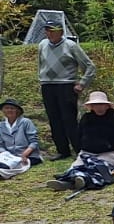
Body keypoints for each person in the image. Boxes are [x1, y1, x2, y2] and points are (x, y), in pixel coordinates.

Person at [36, 17, 95, 159]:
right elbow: (40, 64)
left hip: (66, 85)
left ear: (61, 32)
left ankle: (79, 150)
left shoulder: (71, 45)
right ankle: (62, 150)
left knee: (69, 119)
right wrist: (41, 78)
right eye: (47, 30)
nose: (49, 33)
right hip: (47, 86)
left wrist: (82, 83)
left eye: (52, 31)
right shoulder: (42, 44)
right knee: (53, 119)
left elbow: (89, 66)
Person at [74, 91, 114, 171]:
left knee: (98, 169)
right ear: (92, 106)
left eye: (101, 104)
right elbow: (78, 136)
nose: (99, 107)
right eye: (96, 105)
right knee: (75, 169)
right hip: (87, 153)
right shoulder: (86, 118)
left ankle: (85, 180)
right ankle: (67, 181)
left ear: (107, 106)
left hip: (110, 154)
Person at [0, 98, 42, 177]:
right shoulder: (1, 126)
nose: (9, 110)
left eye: (12, 108)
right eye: (6, 108)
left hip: (28, 156)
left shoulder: (26, 122)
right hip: (9, 156)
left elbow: (34, 142)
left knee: (8, 166)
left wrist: (24, 154)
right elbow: (0, 145)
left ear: (17, 110)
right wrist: (5, 154)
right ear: (3, 110)